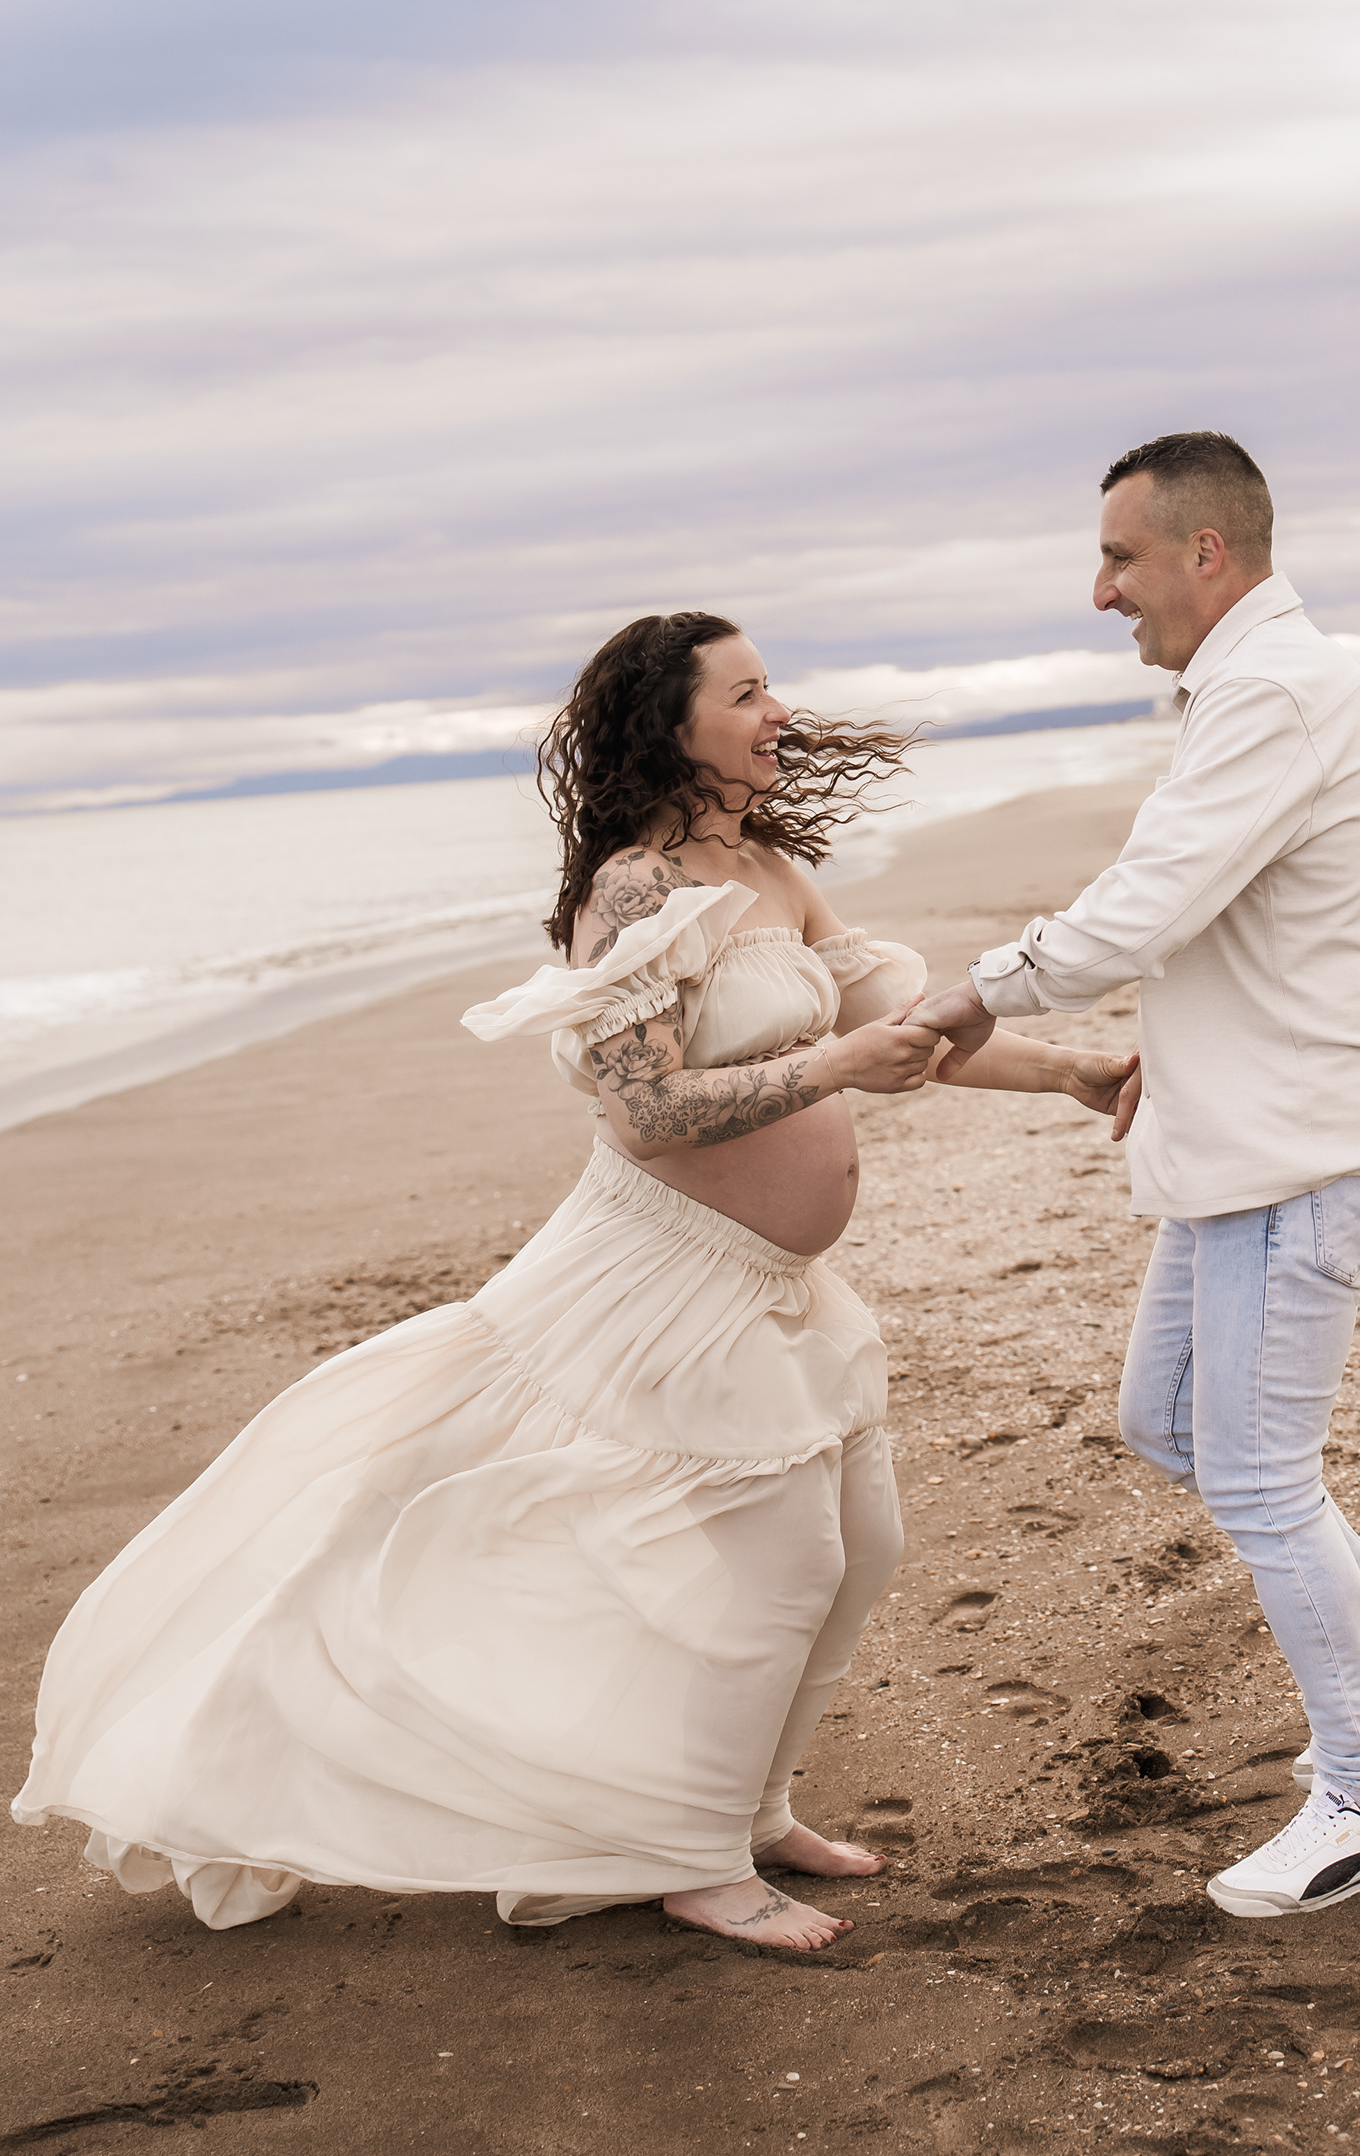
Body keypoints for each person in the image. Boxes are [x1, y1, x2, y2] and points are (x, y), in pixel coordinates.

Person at [14, 613, 1134, 1953]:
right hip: (658, 1273)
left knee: (862, 1550)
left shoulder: (769, 870)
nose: (779, 711)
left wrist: (1067, 1068)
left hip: (773, 1282)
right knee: (780, 1563)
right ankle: (693, 1857)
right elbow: (647, 1105)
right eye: (749, 691)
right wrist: (836, 1073)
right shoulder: (638, 895)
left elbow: (906, 1037)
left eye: (772, 687)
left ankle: (757, 1812)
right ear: (674, 726)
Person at [908, 434, 1360, 1919]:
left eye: (1120, 557)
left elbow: (1142, 909)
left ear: (1207, 554)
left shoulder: (1273, 695)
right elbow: (1217, 918)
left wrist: (984, 989)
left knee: (1253, 1472)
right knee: (1165, 1419)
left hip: (1298, 1156)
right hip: (1247, 1146)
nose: (1101, 589)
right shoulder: (1247, 692)